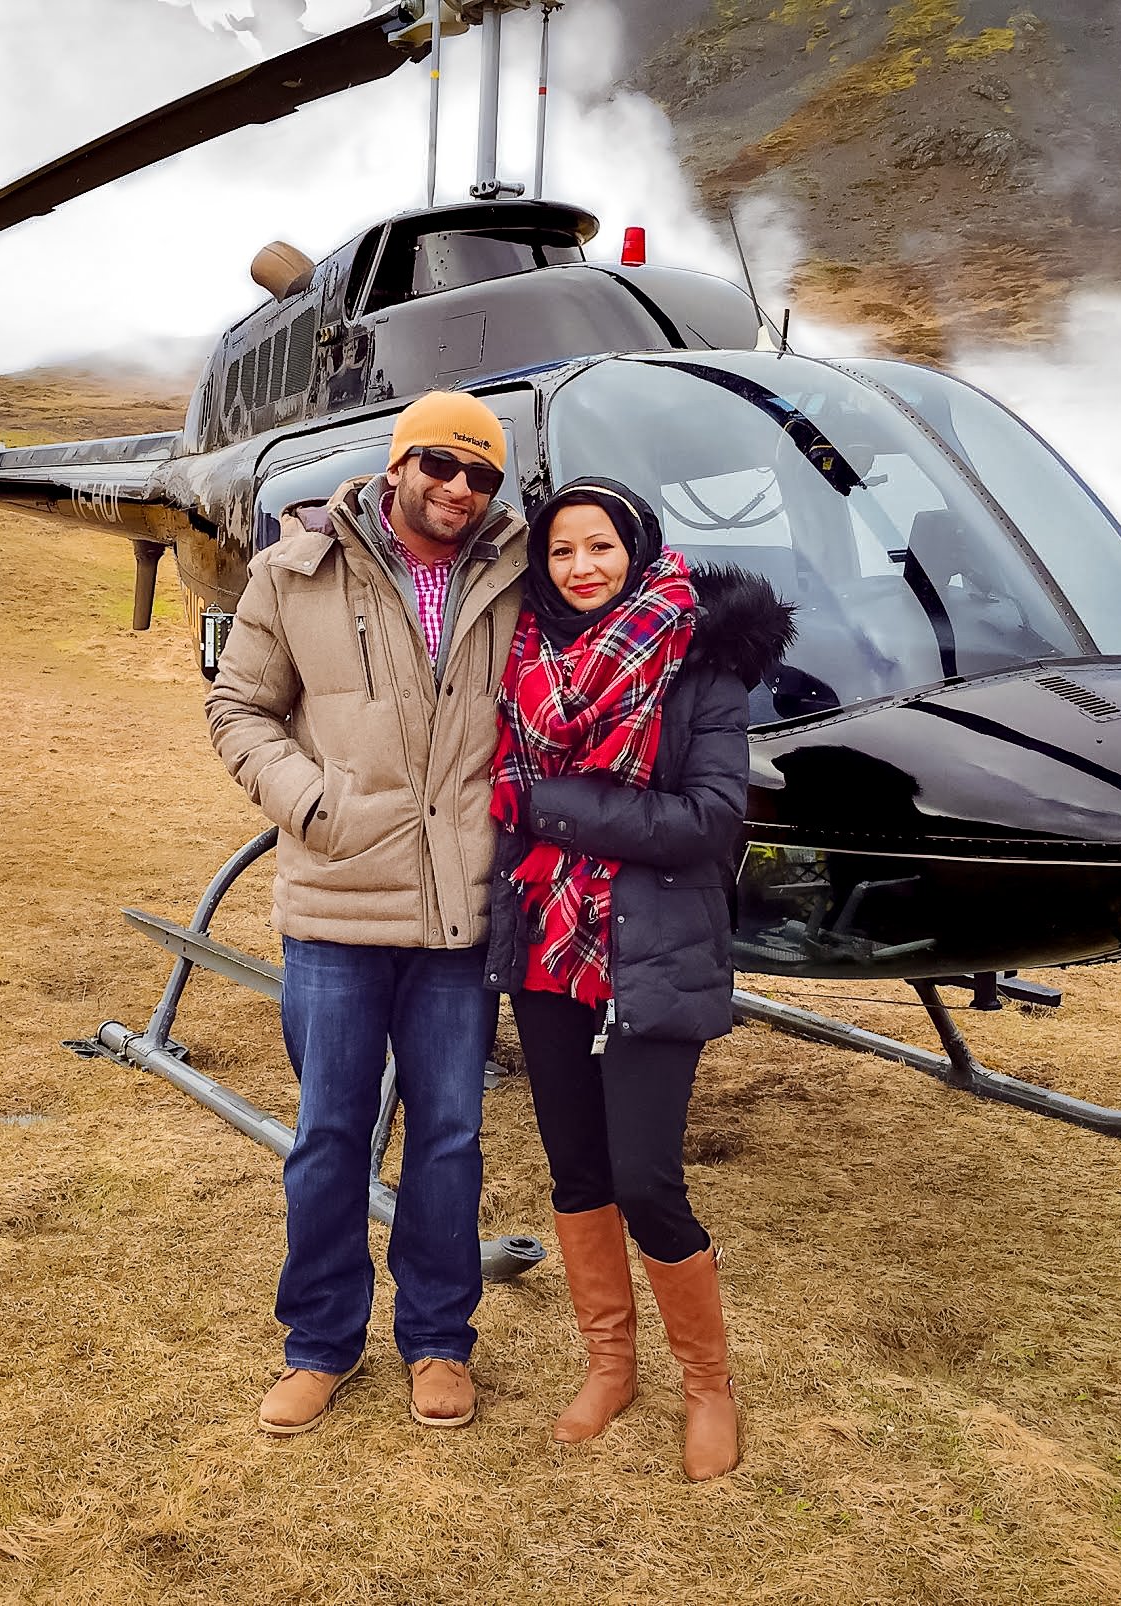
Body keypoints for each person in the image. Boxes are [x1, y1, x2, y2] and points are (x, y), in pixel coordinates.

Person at [206, 390, 529, 1436]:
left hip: (456, 915)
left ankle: (437, 1339)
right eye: (440, 464)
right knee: (329, 1136)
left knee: (448, 1137)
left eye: (481, 475)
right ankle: (317, 1343)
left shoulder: (516, 576)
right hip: (336, 908)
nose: (459, 490)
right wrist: (310, 803)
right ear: (396, 465)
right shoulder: (292, 573)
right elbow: (237, 705)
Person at [486, 478, 794, 1481]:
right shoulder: (524, 659)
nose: (580, 566)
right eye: (562, 550)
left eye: (599, 546)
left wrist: (553, 807)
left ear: (636, 548)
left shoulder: (699, 666)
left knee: (646, 1179)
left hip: (652, 951)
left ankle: (706, 1385)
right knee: (576, 1172)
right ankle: (608, 1365)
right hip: (545, 949)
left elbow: (711, 822)